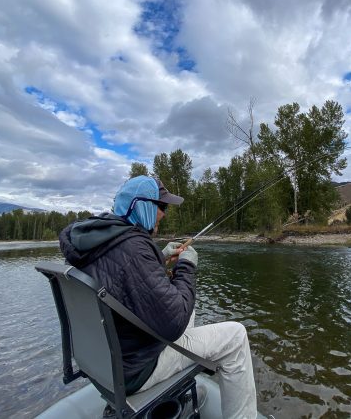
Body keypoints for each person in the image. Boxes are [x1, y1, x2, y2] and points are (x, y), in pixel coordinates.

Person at [59, 175, 258, 418]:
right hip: (135, 370)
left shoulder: (99, 241)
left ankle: (169, 393)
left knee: (187, 305)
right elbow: (173, 322)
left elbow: (118, 277)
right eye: (161, 206)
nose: (164, 214)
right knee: (236, 336)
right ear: (140, 205)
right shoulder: (133, 249)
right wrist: (186, 266)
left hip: (104, 363)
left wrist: (159, 258)